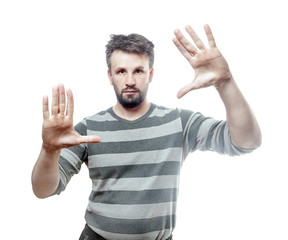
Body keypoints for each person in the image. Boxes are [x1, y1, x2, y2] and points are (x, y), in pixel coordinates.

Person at [31, 24, 261, 240]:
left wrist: (226, 82)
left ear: (150, 74)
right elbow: (43, 190)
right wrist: (49, 149)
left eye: (138, 71)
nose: (130, 80)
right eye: (121, 71)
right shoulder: (88, 129)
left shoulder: (179, 122)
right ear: (110, 77)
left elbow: (246, 141)